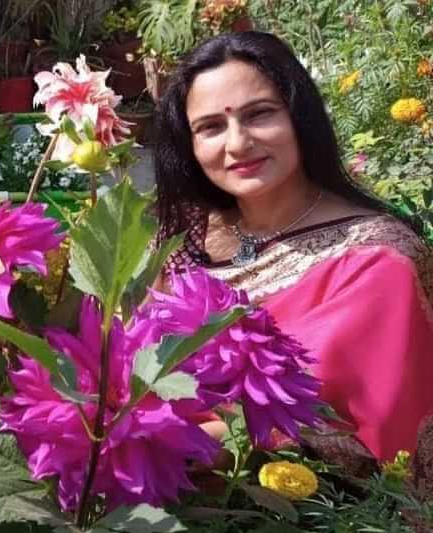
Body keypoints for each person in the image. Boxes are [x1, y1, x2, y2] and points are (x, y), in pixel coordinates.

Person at [152, 31, 433, 464]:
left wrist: (187, 446)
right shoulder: (175, 242)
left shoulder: (378, 259)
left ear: (300, 116)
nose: (238, 143)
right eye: (210, 127)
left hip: (307, 516)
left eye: (259, 114)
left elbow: (364, 435)